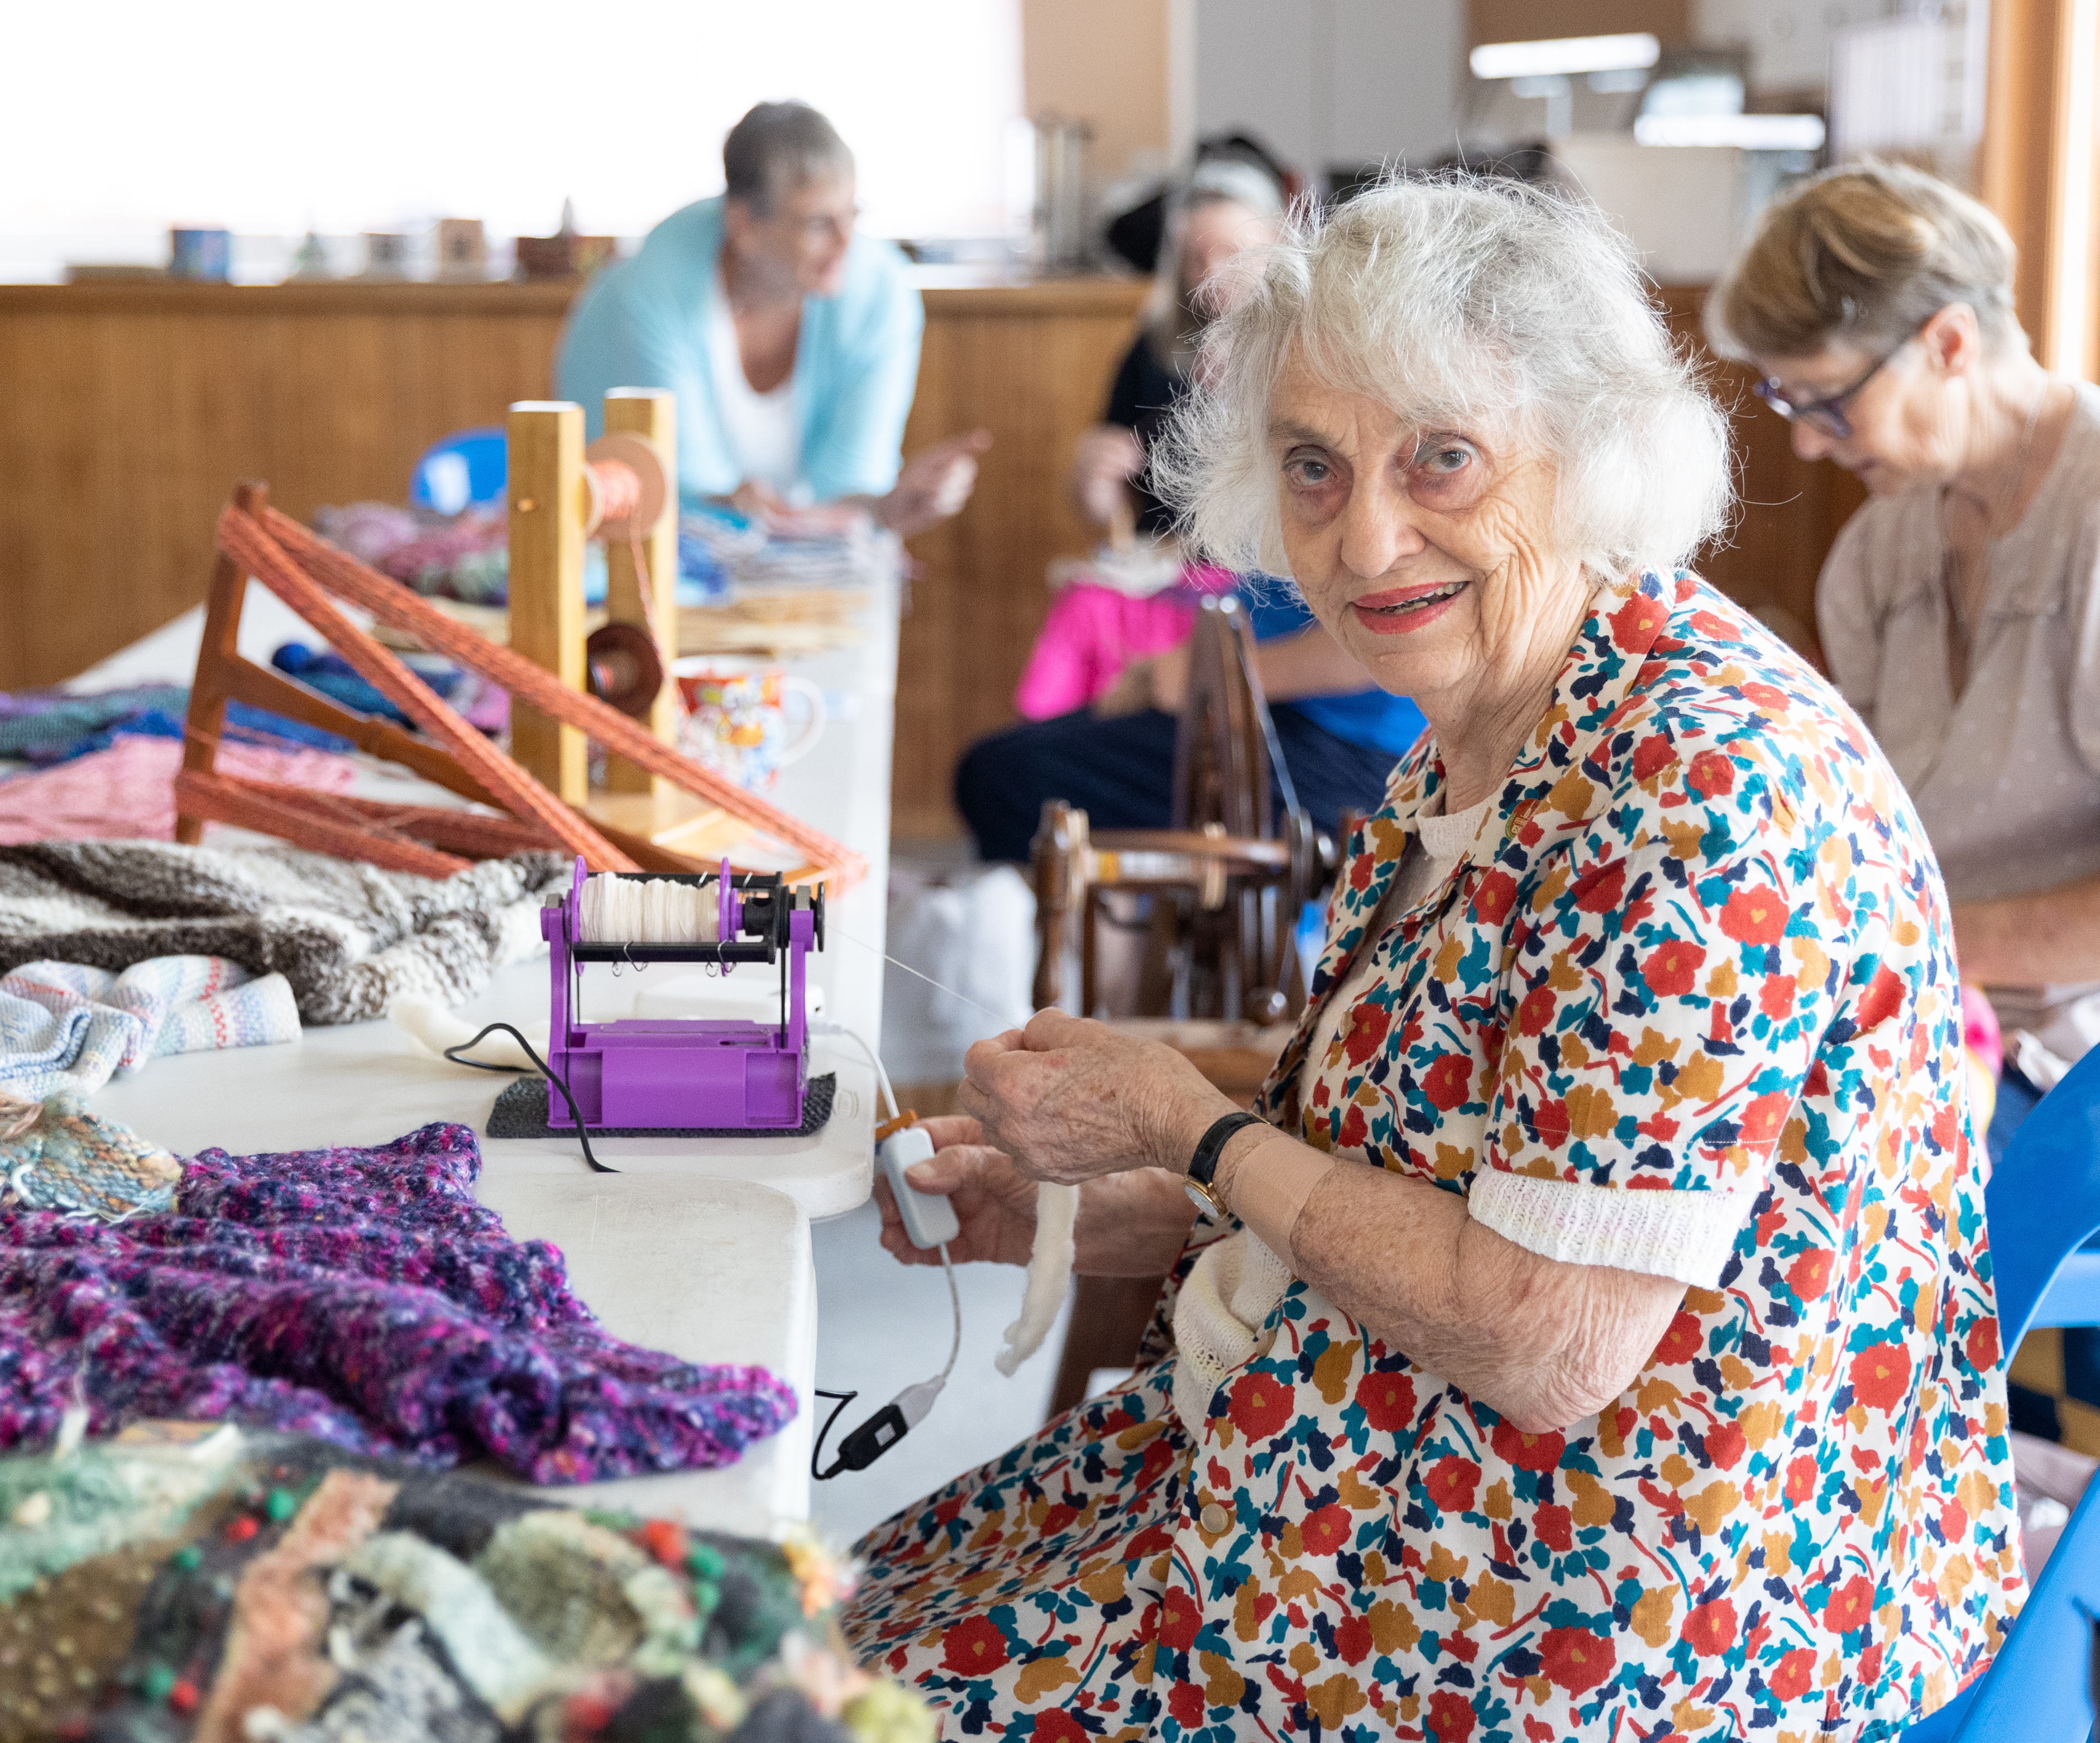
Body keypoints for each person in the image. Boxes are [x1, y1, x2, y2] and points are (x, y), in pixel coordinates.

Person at [854, 176, 2016, 1736]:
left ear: (1587, 451)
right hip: (1376, 1476)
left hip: (1596, 1601)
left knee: (814, 1692)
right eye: (1314, 470)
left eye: (1441, 458)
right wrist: (1093, 1208)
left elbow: (1543, 1339)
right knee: (817, 1618)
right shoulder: (1493, 720)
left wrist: (1189, 1124)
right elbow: (1424, 1171)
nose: (1367, 535)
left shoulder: (1696, 791)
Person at [1708, 161, 2100, 1439]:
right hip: (1929, 1018)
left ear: (1946, 342)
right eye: (1787, 401)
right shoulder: (1884, 545)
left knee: (1784, 1231)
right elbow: (1857, 825)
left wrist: (1912, 957)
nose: (1812, 441)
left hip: (2068, 1056)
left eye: (1824, 401)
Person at [953, 148, 1420, 860]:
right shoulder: (1191, 361)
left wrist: (1190, 679)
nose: (1213, 276)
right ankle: (1129, 940)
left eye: (1233, 254)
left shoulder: (1347, 406)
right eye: (1198, 255)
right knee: (1022, 763)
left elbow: (1386, 634)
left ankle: (1126, 947)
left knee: (1004, 777)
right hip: (1260, 698)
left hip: (1339, 742)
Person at [554, 100, 988, 537]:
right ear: (744, 225)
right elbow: (686, 497)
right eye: (819, 223)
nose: (846, 243)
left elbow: (851, 487)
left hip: (791, 553)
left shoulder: (881, 292)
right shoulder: (655, 289)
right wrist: (763, 514)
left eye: (852, 215)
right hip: (648, 542)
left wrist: (888, 506)